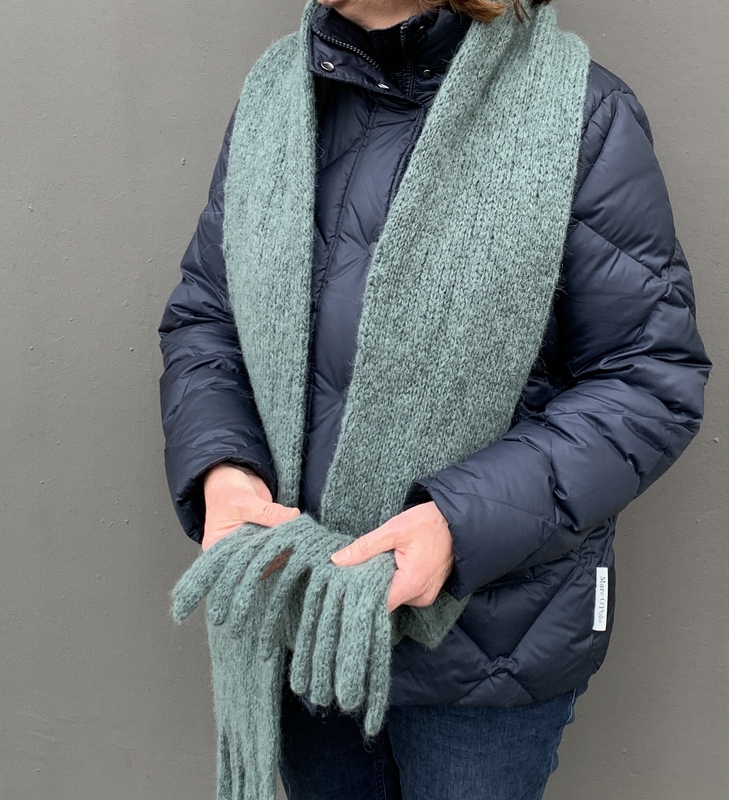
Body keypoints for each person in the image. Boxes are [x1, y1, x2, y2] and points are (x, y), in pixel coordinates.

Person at [158, 0, 711, 797]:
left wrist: (456, 524)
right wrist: (224, 470)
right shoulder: (279, 99)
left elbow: (647, 380)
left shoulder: (581, 113)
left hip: (487, 647)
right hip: (306, 617)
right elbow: (207, 321)